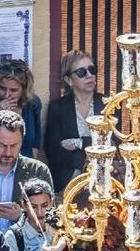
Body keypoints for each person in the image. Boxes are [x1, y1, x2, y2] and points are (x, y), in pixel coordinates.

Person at [44, 50, 104, 192]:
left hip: (103, 181)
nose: (89, 75)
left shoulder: (107, 104)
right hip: (67, 184)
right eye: (82, 72)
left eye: (92, 70)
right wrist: (87, 157)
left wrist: (80, 143)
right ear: (69, 80)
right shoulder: (58, 108)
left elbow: (113, 143)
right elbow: (52, 151)